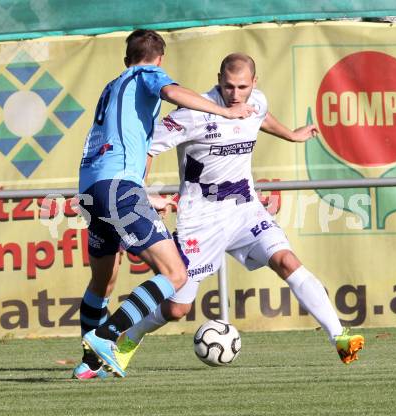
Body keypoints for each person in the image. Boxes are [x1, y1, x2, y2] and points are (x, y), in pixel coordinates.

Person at [114, 52, 365, 373]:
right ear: (219, 79)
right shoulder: (194, 112)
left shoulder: (255, 101)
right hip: (201, 219)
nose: (235, 94)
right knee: (177, 308)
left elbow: (260, 115)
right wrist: (143, 193)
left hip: (246, 210)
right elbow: (146, 147)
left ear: (253, 84)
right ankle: (128, 338)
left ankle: (340, 337)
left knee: (286, 261)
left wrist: (290, 134)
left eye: (242, 87)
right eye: (229, 86)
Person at [73, 31, 254, 379]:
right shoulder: (146, 74)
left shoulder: (112, 86)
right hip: (118, 188)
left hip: (92, 189)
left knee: (102, 283)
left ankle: (89, 365)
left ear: (126, 58)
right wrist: (223, 112)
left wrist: (140, 190)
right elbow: (172, 93)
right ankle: (107, 337)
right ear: (160, 60)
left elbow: (119, 141)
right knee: (175, 273)